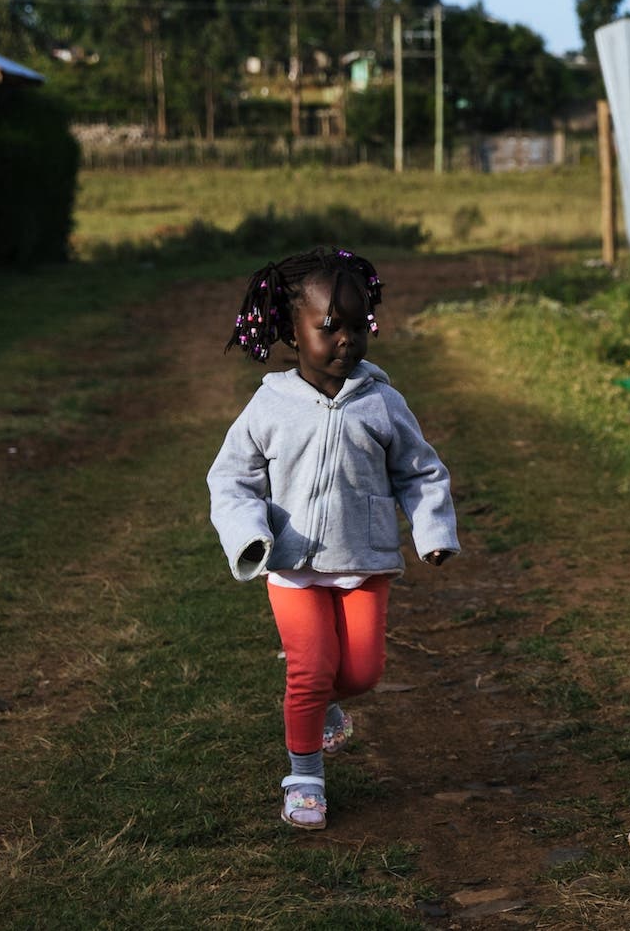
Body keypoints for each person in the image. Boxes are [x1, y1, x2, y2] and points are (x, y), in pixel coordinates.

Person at [205, 246, 459, 830]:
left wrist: (433, 531)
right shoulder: (270, 405)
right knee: (310, 670)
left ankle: (320, 702)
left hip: (364, 561)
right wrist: (248, 536)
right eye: (329, 327)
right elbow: (232, 477)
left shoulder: (383, 402)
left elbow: (419, 472)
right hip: (291, 566)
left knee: (363, 671)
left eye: (357, 326)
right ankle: (304, 780)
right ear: (294, 333)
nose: (346, 339)